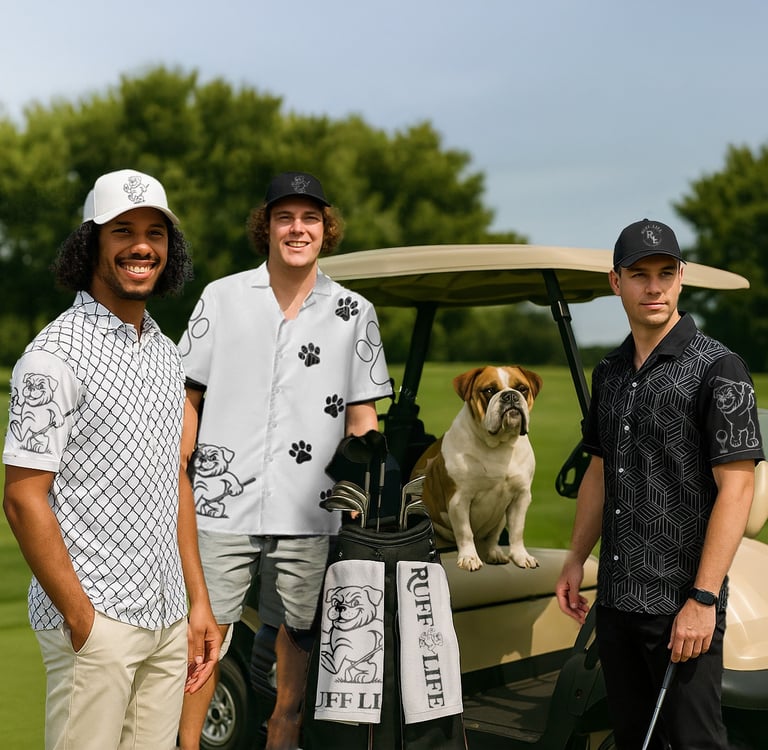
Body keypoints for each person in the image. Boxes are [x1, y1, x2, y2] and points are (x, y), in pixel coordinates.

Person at [2, 169, 222, 750]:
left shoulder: (166, 353)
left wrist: (197, 601)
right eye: (122, 230)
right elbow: (23, 497)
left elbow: (173, 478)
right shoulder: (53, 355)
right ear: (91, 244)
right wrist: (82, 620)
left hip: (168, 616)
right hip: (96, 621)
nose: (142, 245)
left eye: (156, 232)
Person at [176, 171, 392, 750]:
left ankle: (283, 731)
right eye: (285, 218)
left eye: (310, 218)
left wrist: (364, 492)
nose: (298, 229)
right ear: (266, 226)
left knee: (298, 631)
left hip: (311, 508)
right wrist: (179, 469)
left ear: (326, 228)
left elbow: (362, 416)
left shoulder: (355, 311)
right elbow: (187, 395)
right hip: (221, 505)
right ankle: (187, 742)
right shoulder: (221, 298)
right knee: (207, 632)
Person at [555, 218, 764, 749]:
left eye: (665, 273)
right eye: (640, 274)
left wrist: (702, 598)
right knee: (632, 739)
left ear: (681, 278)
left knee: (694, 742)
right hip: (619, 600)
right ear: (615, 282)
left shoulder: (721, 369)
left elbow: (738, 488)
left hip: (682, 604)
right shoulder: (609, 372)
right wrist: (577, 558)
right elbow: (600, 469)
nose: (654, 287)